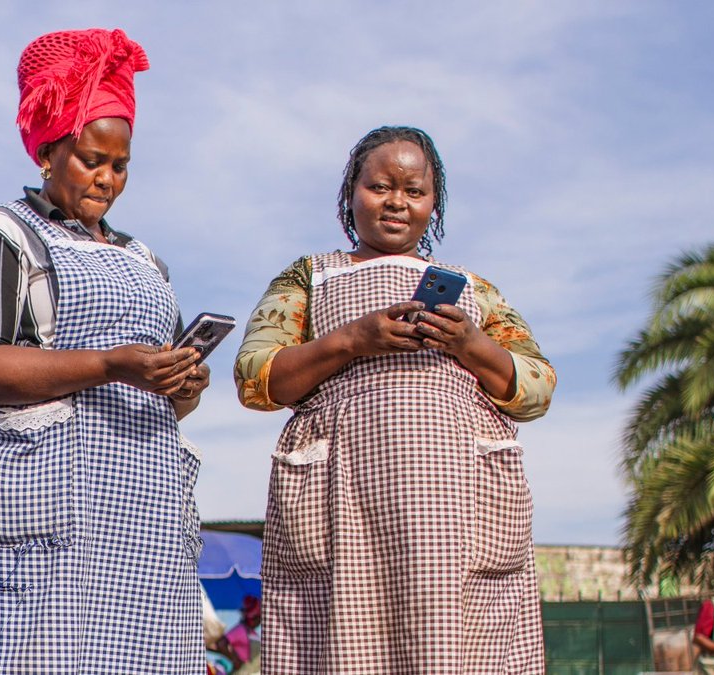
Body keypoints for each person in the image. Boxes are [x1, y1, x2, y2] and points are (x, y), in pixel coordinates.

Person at [0, 28, 209, 674]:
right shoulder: (1, 234)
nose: (107, 179)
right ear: (49, 150)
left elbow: (159, 391)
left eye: (120, 165)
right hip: (39, 515)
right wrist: (110, 363)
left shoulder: (145, 260)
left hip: (139, 520)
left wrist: (180, 385)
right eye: (91, 159)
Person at [234, 126, 556, 673]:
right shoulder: (309, 278)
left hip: (457, 516)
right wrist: (353, 341)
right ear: (350, 191)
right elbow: (255, 376)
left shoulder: (472, 290)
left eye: (414, 191)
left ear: (435, 203)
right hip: (343, 509)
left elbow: (537, 387)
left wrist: (469, 344)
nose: (396, 204)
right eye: (380, 186)